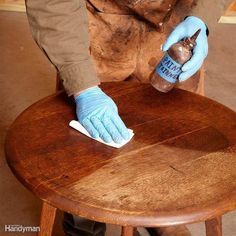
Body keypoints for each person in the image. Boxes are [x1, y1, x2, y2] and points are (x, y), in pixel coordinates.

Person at [25, 0, 208, 235]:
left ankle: (161, 214)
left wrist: (201, 15)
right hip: (100, 25)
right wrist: (83, 86)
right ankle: (84, 224)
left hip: (175, 27)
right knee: (85, 151)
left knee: (169, 135)